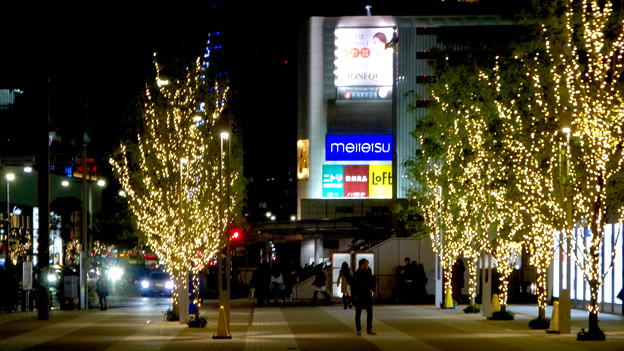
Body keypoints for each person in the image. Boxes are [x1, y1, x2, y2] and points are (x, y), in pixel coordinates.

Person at [351, 258, 376, 335]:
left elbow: (372, 281)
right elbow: (353, 287)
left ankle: (369, 328)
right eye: (365, 264)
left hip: (368, 295)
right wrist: (354, 297)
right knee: (358, 313)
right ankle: (358, 329)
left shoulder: (369, 272)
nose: (367, 266)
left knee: (370, 312)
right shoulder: (357, 274)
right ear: (361, 265)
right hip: (359, 295)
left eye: (367, 264)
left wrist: (372, 290)